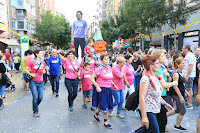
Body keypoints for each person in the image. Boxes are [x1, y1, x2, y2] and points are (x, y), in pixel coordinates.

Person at [139, 55, 174, 133]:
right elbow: (141, 98)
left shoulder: (155, 76)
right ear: (151, 66)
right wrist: (144, 117)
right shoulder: (145, 79)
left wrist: (165, 104)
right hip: (148, 110)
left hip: (155, 109)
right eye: (157, 63)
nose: (159, 65)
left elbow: (157, 95)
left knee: (146, 130)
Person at [90, 53, 113, 129]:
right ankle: (106, 122)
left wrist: (114, 84)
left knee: (103, 104)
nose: (107, 60)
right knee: (104, 105)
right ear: (102, 60)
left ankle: (96, 114)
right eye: (105, 59)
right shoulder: (100, 68)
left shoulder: (109, 67)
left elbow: (109, 78)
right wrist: (97, 86)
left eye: (107, 58)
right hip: (101, 89)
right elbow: (91, 78)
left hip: (108, 88)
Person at [167, 57, 187, 131]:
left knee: (178, 110)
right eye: (182, 63)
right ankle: (177, 125)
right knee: (183, 110)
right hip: (176, 94)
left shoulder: (180, 72)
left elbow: (181, 85)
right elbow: (175, 86)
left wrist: (185, 92)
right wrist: (181, 97)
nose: (184, 65)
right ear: (178, 65)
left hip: (180, 93)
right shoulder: (176, 73)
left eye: (184, 63)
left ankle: (162, 116)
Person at [24, 50, 46, 117]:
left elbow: (44, 71)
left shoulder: (43, 62)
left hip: (41, 81)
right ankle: (35, 111)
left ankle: (35, 105)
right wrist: (31, 74)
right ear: (37, 54)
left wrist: (43, 70)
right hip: (33, 81)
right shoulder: (32, 62)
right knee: (35, 97)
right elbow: (25, 70)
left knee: (40, 97)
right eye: (41, 53)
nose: (42, 54)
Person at [182, 44, 196, 109]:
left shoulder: (190, 56)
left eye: (183, 48)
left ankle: (190, 104)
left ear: (186, 49)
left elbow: (191, 66)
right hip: (188, 74)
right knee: (188, 88)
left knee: (189, 89)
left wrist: (187, 75)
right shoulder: (188, 55)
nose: (182, 49)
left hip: (189, 75)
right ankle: (188, 102)